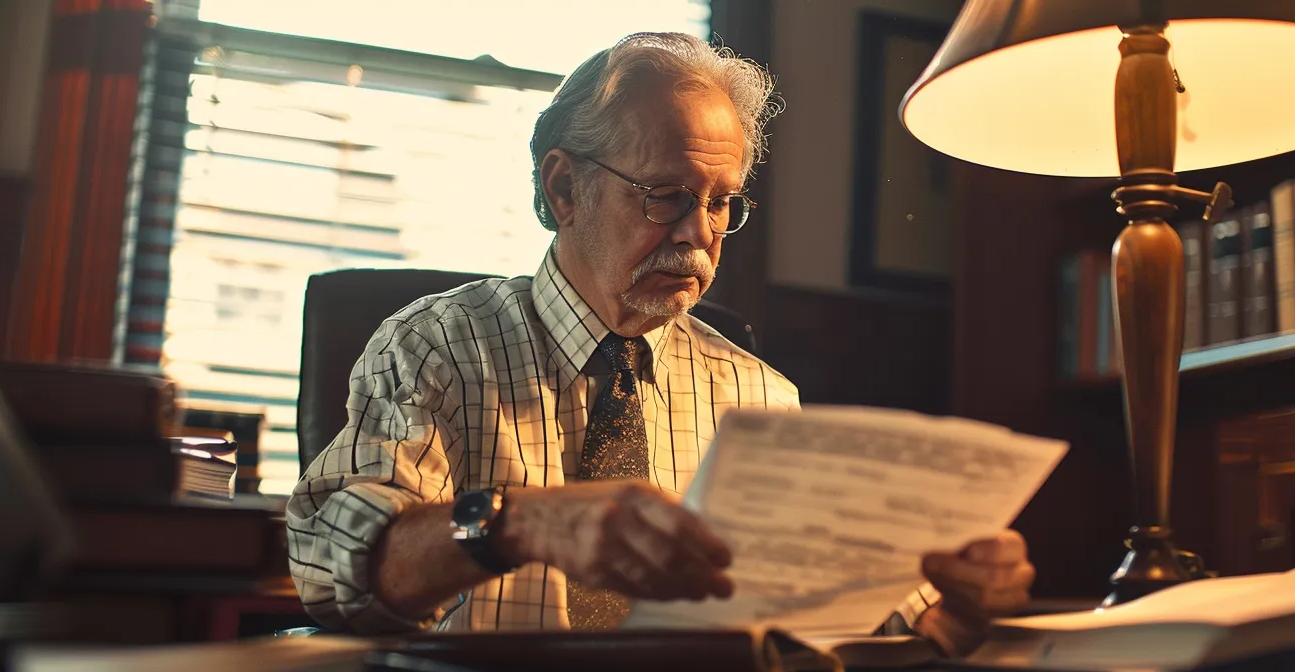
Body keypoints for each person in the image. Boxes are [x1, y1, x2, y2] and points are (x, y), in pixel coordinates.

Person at [284, 32, 1035, 656]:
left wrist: (960, 607)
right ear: (564, 191)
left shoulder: (760, 396)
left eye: (720, 203)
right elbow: (330, 563)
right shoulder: (438, 345)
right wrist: (522, 521)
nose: (698, 233)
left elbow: (864, 614)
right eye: (665, 195)